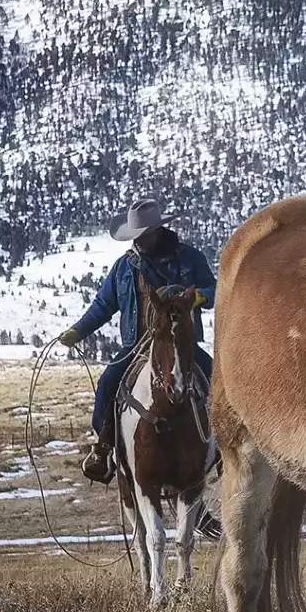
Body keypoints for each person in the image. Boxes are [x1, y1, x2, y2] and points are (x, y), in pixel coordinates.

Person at [58, 198, 217, 484]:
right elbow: (103, 306)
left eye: (143, 234)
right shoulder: (124, 268)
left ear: (157, 231)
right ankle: (103, 447)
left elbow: (213, 289)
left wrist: (198, 297)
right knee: (108, 383)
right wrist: (77, 331)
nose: (139, 241)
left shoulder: (189, 258)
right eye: (136, 236)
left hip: (181, 346)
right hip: (137, 344)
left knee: (220, 381)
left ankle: (228, 446)